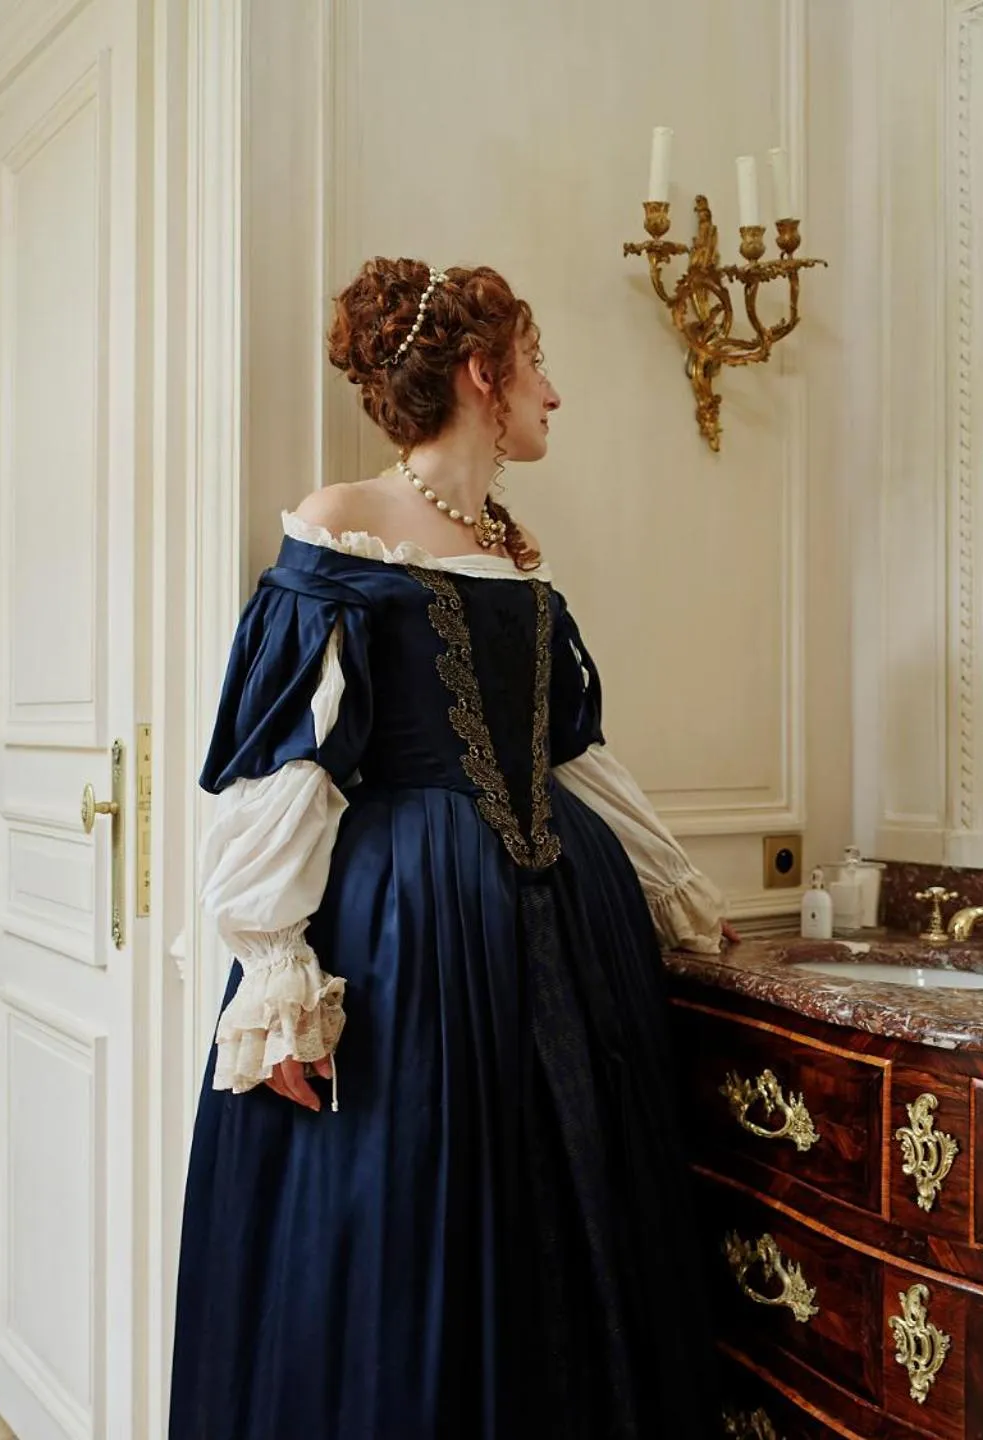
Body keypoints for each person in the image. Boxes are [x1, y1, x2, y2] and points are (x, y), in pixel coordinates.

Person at [169, 257, 734, 1439]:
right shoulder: (345, 523)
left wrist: (673, 884)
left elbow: (571, 752)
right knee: (420, 1216)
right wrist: (274, 974)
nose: (552, 395)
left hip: (559, 921)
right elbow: (291, 764)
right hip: (410, 933)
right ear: (483, 373)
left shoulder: (512, 545)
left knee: (565, 1223)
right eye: (538, 366)